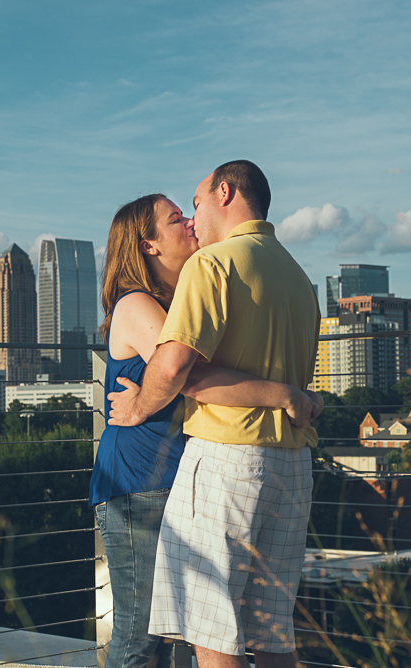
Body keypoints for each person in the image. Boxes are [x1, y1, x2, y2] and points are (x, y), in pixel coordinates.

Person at [91, 193, 321, 668]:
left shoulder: (186, 299)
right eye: (177, 219)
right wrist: (286, 395)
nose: (192, 223)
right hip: (142, 486)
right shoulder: (137, 304)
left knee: (197, 626)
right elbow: (187, 376)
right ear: (148, 246)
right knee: (140, 633)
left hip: (182, 480)